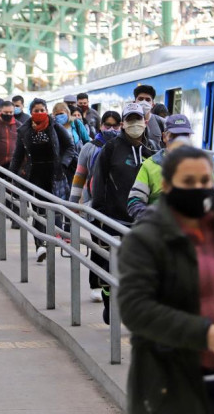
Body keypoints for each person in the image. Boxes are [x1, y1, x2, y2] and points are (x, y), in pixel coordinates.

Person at [118, 146, 214, 414]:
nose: (198, 188)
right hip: (171, 382)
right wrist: (203, 333)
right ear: (168, 186)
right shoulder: (145, 238)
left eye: (204, 181)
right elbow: (135, 309)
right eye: (188, 182)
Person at [91, 103, 156, 323]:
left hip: (142, 219)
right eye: (130, 120)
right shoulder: (111, 148)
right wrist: (98, 214)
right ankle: (109, 301)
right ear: (123, 124)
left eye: (138, 119)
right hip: (113, 216)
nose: (134, 124)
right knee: (111, 266)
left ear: (145, 121)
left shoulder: (152, 148)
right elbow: (98, 181)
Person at [9, 98, 75, 262]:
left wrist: (64, 164)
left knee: (53, 208)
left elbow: (69, 147)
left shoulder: (55, 127)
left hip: (54, 174)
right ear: (31, 112)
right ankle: (40, 246)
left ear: (46, 110)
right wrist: (12, 176)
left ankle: (53, 238)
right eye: (36, 110)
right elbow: (18, 155)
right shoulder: (24, 130)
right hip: (35, 175)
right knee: (39, 211)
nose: (39, 113)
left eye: (42, 110)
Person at [70, 111, 122, 302]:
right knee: (99, 248)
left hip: (119, 207)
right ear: (100, 126)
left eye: (116, 125)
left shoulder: (124, 147)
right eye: (107, 125)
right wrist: (73, 204)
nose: (111, 129)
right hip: (95, 207)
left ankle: (111, 286)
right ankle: (96, 284)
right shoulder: (89, 148)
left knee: (115, 249)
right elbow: (79, 177)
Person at [127, 114, 194, 221]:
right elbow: (134, 201)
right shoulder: (149, 166)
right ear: (164, 137)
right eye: (174, 137)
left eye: (184, 136)